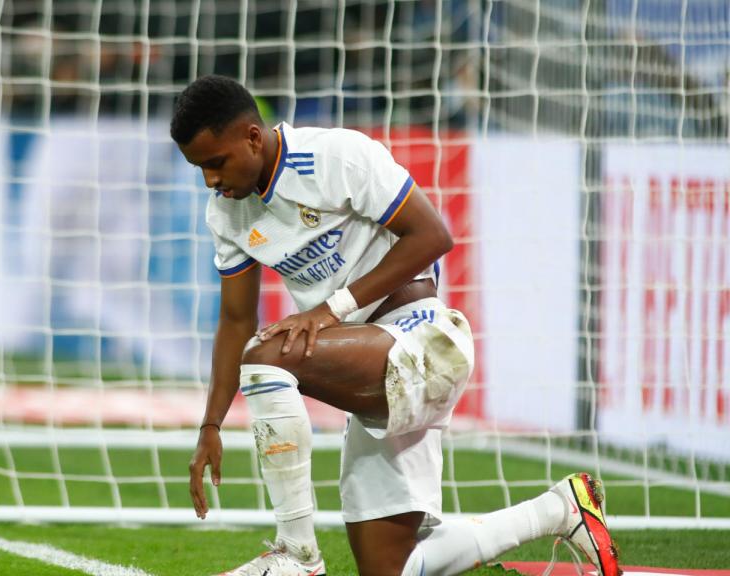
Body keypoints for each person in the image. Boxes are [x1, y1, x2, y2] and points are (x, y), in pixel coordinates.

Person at [169, 75, 622, 576]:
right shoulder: (227, 214)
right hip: (369, 369)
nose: (211, 180)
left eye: (216, 163)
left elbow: (432, 235)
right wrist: (210, 425)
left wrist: (331, 308)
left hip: (424, 343)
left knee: (267, 354)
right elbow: (234, 320)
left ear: (252, 137)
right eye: (200, 169)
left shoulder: (335, 156)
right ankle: (561, 509)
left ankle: (296, 552)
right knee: (391, 569)